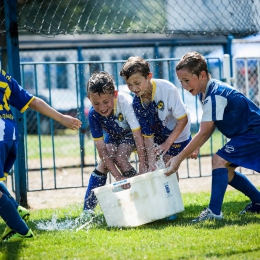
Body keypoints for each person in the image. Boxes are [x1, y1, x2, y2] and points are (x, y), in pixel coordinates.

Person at [165, 51, 260, 222]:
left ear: (202, 75)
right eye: (181, 82)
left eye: (187, 80)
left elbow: (204, 131)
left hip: (253, 134)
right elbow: (210, 127)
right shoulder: (208, 91)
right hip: (249, 135)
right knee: (226, 169)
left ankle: (214, 212)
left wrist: (179, 158)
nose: (185, 86)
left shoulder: (214, 94)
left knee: (219, 160)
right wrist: (197, 146)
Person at [0, 69, 82, 242]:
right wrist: (61, 118)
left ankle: (20, 230)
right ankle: (15, 208)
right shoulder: (4, 76)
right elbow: (33, 101)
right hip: (9, 133)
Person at [119, 56, 198, 174]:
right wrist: (150, 163)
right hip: (160, 132)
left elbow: (183, 119)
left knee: (168, 165)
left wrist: (167, 144)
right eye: (129, 85)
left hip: (178, 131)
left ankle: (191, 144)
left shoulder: (167, 89)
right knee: (155, 164)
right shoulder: (137, 103)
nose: (134, 88)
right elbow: (147, 134)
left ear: (149, 76)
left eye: (137, 83)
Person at [83, 71, 146, 212]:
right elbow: (101, 149)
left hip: (133, 134)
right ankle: (87, 210)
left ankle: (142, 193)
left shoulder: (126, 103)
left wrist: (142, 168)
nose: (102, 107)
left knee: (121, 158)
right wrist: (117, 177)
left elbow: (137, 135)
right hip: (114, 136)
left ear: (115, 94)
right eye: (96, 103)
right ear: (89, 99)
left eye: (106, 102)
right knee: (104, 163)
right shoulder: (94, 114)